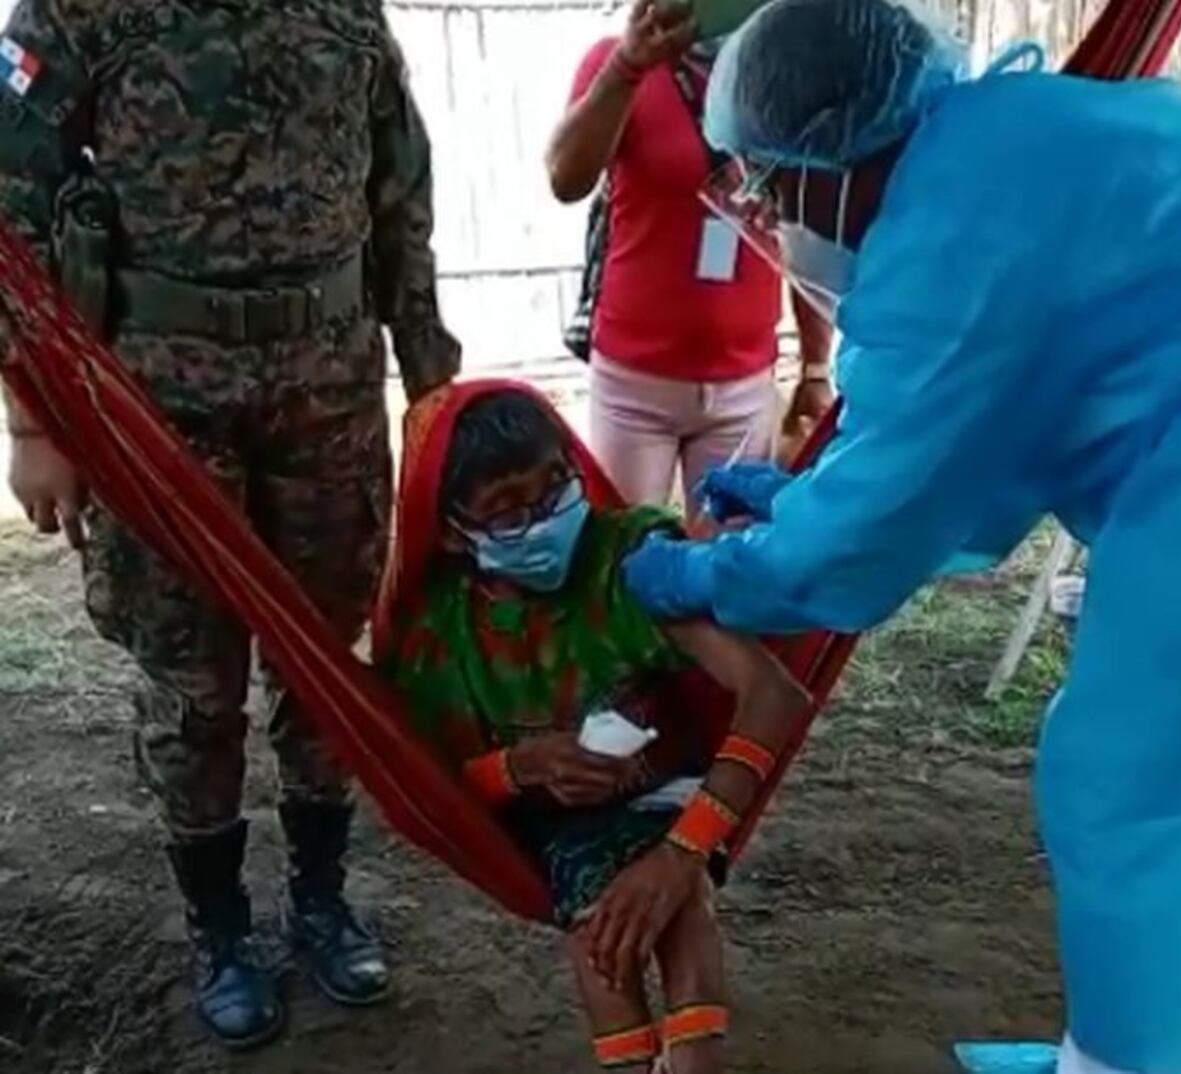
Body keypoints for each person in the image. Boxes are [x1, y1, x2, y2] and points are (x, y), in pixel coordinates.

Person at [591, 2, 1181, 1072]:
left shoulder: (948, 246)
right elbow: (980, 466)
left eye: (774, 189)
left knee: (1129, 783)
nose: (775, 219)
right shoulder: (1009, 132)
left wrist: (704, 569)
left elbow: (863, 546)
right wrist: (800, 500)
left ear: (830, 154)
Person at [0, 0, 460, 1050]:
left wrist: (428, 363)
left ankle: (321, 900)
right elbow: (7, 209)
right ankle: (219, 930)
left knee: (325, 659)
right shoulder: (75, 12)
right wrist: (32, 418)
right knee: (191, 678)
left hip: (329, 385)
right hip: (158, 400)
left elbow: (401, 184)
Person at [372, 380, 809, 1073]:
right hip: (549, 827)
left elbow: (774, 694)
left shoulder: (629, 562)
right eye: (508, 512)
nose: (546, 522)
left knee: (672, 899)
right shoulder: (439, 637)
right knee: (603, 913)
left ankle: (690, 1059)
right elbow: (431, 790)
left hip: (671, 796)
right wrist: (524, 766)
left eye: (556, 489)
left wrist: (681, 853)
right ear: (454, 531)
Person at [544, 0, 833, 514]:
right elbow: (566, 179)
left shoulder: (784, 78)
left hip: (743, 383)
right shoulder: (622, 63)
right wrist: (627, 66)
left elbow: (803, 233)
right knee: (627, 545)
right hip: (635, 384)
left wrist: (814, 367)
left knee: (730, 552)